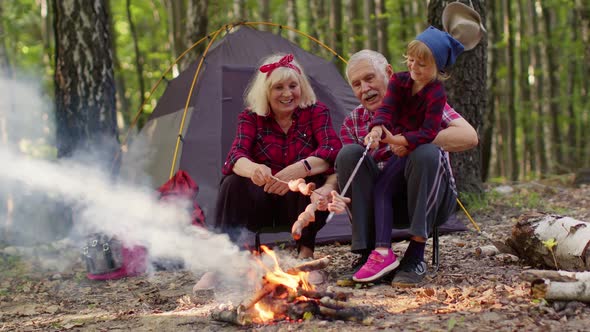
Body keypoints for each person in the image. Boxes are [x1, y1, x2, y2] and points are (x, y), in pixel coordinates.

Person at [313, 45, 477, 287]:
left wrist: (413, 138)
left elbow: (469, 137)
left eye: (369, 78)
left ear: (389, 73)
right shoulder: (353, 122)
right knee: (348, 154)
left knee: (426, 151)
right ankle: (369, 253)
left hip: (430, 201)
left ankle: (416, 256)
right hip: (381, 205)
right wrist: (328, 192)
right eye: (357, 84)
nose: (365, 89)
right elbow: (351, 176)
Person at [195, 53, 342, 290]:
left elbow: (332, 150)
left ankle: (306, 258)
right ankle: (221, 264)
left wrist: (296, 170)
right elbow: (234, 158)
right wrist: (255, 169)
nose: (287, 94)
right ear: (266, 91)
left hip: (300, 204)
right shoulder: (250, 118)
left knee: (315, 178)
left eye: (293, 86)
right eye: (278, 87)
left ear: (301, 87)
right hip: (260, 205)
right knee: (232, 182)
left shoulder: (316, 112)